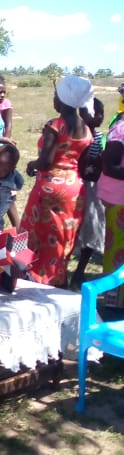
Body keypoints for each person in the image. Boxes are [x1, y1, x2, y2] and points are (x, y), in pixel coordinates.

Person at [22, 75, 93, 287]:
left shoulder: (55, 125)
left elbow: (46, 161)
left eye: (55, 95)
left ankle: (30, 277)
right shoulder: (87, 130)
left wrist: (31, 164)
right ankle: (56, 279)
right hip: (74, 189)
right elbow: (83, 165)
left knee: (35, 232)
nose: (53, 98)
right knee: (62, 234)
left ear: (62, 99)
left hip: (50, 187)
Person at [71, 98, 106, 288]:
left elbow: (98, 160)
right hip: (77, 186)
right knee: (73, 229)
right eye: (96, 112)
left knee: (92, 229)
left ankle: (79, 272)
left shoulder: (98, 136)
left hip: (93, 187)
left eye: (102, 113)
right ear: (82, 114)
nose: (100, 117)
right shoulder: (77, 134)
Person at [96, 102, 124, 307]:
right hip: (119, 199)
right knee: (117, 250)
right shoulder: (121, 130)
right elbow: (109, 166)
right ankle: (114, 301)